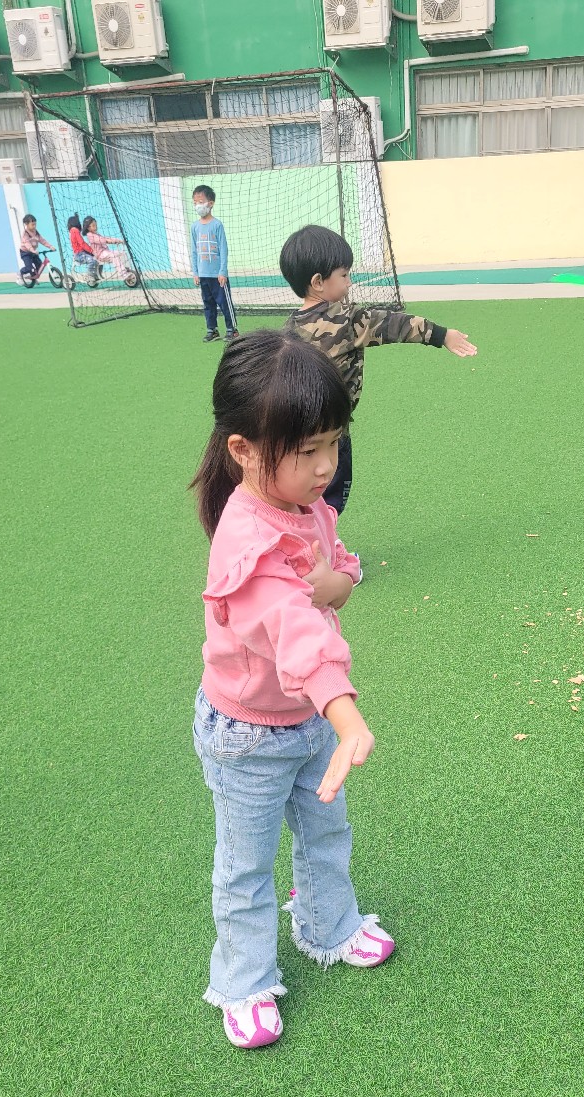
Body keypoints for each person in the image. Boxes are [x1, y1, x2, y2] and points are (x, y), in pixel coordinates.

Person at [189, 328, 394, 1049]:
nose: (326, 465)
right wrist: (346, 715)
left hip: (304, 719)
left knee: (326, 832)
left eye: (334, 442)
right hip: (248, 735)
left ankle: (328, 924)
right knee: (245, 867)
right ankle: (243, 981)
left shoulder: (301, 503)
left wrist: (345, 578)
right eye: (307, 450)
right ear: (244, 450)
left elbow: (329, 563)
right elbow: (295, 628)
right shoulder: (247, 543)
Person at [280, 223, 477, 515]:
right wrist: (442, 335)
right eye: (344, 275)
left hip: (295, 431)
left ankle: (303, 536)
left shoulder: (289, 328)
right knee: (331, 497)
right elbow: (395, 324)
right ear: (318, 281)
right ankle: (323, 540)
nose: (349, 282)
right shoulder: (346, 320)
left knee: (299, 493)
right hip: (331, 434)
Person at [191, 185, 237, 343]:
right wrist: (195, 272)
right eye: (195, 203)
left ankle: (232, 330)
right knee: (208, 304)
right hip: (203, 275)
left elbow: (223, 249)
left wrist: (222, 271)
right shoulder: (194, 227)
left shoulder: (217, 225)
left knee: (224, 303)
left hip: (217, 275)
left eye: (201, 202)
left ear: (210, 203)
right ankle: (212, 330)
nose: (198, 206)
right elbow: (194, 251)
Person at [81, 215, 131, 281]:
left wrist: (119, 240)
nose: (96, 227)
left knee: (122, 253)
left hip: (106, 252)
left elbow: (106, 238)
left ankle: (127, 270)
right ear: (88, 228)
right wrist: (113, 241)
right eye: (93, 225)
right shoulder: (90, 235)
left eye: (96, 225)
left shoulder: (96, 234)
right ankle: (124, 274)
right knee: (113, 256)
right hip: (100, 255)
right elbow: (103, 240)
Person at [18, 213, 55, 284]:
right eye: (32, 224)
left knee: (39, 265)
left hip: (33, 252)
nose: (34, 226)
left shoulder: (36, 232)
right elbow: (27, 244)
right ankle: (20, 273)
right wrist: (33, 250)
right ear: (26, 224)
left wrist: (50, 246)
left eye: (35, 224)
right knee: (29, 268)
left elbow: (42, 240)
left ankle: (33, 277)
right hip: (25, 253)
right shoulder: (25, 234)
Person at [67, 213, 98, 281]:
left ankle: (93, 274)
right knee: (92, 260)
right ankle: (89, 275)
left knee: (96, 259)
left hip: (81, 253)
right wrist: (91, 250)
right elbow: (82, 243)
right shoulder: (75, 230)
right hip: (79, 254)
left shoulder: (73, 231)